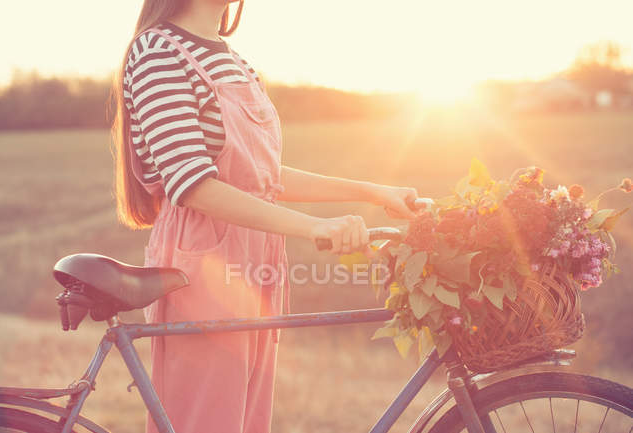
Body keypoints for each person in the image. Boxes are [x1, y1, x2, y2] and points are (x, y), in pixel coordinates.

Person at [111, 1, 418, 432]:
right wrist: (315, 227)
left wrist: (372, 191)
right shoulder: (157, 53)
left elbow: (264, 177)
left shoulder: (234, 60)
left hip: (258, 264)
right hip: (205, 264)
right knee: (207, 424)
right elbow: (192, 185)